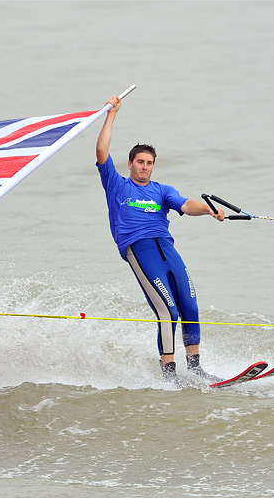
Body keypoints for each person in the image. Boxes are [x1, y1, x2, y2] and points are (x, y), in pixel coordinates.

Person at [95, 94, 225, 384]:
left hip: (166, 248)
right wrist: (111, 113)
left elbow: (186, 204)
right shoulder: (117, 185)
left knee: (190, 305)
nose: (144, 166)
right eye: (140, 162)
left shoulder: (161, 190)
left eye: (149, 163)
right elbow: (101, 149)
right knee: (168, 311)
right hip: (139, 250)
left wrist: (209, 210)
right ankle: (169, 374)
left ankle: (196, 368)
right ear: (130, 163)